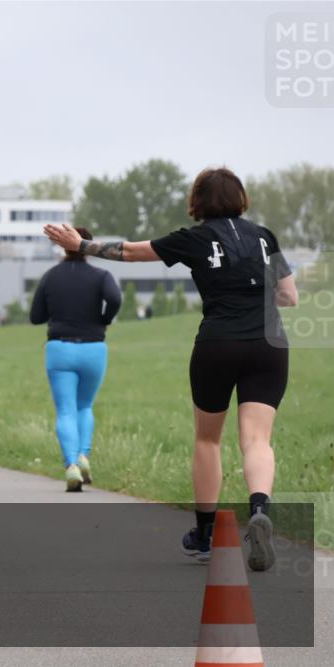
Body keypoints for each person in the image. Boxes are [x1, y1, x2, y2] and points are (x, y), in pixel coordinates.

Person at [44, 166, 298, 571]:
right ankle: (259, 509)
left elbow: (129, 251)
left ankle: (204, 535)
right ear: (241, 198)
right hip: (269, 344)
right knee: (257, 440)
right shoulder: (264, 236)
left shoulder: (194, 239)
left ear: (198, 201)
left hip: (217, 344)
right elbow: (289, 295)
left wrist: (82, 245)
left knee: (208, 440)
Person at [30, 227, 121, 491]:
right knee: (85, 406)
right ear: (89, 246)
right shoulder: (101, 275)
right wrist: (104, 319)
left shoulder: (50, 277)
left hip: (60, 349)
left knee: (66, 410)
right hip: (94, 348)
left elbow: (36, 317)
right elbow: (115, 298)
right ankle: (83, 456)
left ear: (63, 246)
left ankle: (71, 466)